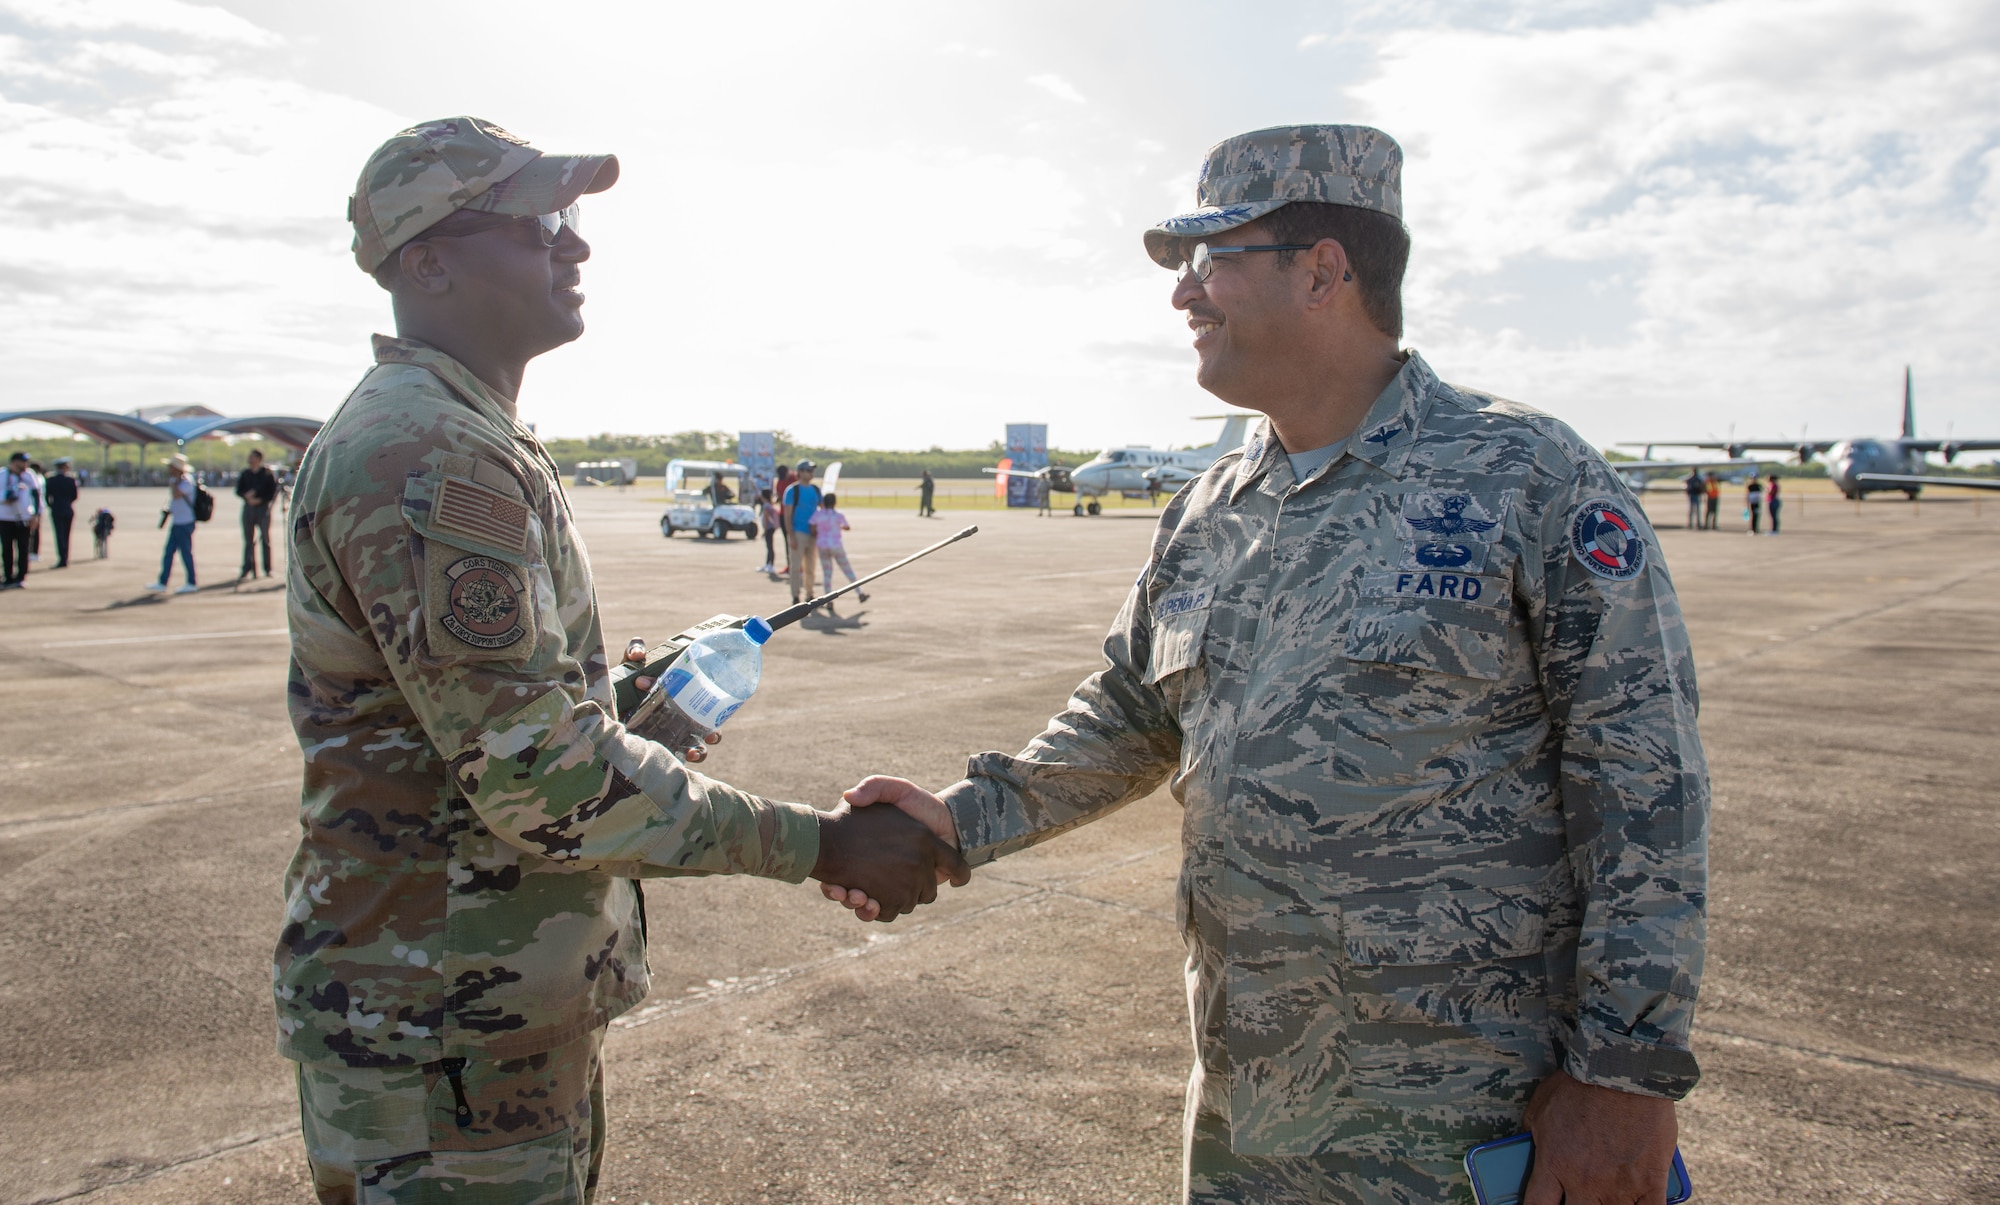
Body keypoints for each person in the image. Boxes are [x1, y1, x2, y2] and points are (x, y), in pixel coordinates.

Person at [827, 124, 1708, 1205]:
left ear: (1323, 270)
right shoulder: (1211, 508)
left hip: (1468, 1120)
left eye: (1210, 260)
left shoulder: (1526, 478)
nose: (1182, 296)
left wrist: (1624, 1074)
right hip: (1253, 1111)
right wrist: (962, 819)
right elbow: (1129, 711)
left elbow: (1642, 785)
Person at [277, 116, 963, 1204]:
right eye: (538, 220)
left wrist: (624, 706)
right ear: (427, 260)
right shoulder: (427, 449)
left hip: (475, 1012)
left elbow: (477, 730)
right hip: (439, 1034)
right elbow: (535, 775)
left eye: (573, 219)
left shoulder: (469, 433)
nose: (574, 245)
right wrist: (823, 841)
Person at [146, 453, 199, 594]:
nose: (169, 469)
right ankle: (163, 582)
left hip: (185, 522)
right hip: (177, 522)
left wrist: (174, 482)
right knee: (169, 552)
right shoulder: (178, 480)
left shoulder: (186, 481)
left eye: (171, 467)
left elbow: (176, 494)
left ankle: (191, 582)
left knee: (186, 553)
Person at [810, 492, 867, 604]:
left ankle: (828, 600)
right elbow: (847, 526)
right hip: (836, 545)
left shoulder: (818, 514)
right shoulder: (838, 515)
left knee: (827, 574)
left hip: (823, 545)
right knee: (848, 570)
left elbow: (812, 527)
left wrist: (819, 532)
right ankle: (859, 592)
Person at [782, 458, 822, 604]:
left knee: (811, 566)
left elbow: (822, 510)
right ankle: (795, 595)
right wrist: (790, 535)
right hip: (798, 532)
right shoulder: (792, 491)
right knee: (796, 566)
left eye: (812, 471)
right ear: (800, 472)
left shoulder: (816, 490)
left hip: (813, 534)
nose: (812, 473)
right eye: (809, 470)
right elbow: (787, 514)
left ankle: (810, 594)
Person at [236, 448, 279, 579]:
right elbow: (238, 490)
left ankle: (267, 568)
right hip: (248, 509)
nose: (250, 459)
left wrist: (259, 499)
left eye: (252, 457)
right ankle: (247, 568)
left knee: (265, 539)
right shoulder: (245, 474)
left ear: (259, 459)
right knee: (248, 540)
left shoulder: (266, 474)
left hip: (262, 508)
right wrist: (246, 496)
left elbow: (272, 492)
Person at [0, 451, 37, 589]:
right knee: (7, 549)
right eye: (22, 462)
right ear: (14, 462)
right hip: (5, 517)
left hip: (24, 517)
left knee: (23, 548)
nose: (24, 465)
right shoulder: (2, 474)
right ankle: (7, 576)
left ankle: (21, 576)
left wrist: (36, 515)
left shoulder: (28, 475)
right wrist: (6, 497)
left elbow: (36, 494)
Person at [45, 458, 78, 568]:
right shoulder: (70, 480)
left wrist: (52, 505)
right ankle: (66, 557)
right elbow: (75, 496)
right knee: (67, 534)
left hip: (56, 509)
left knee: (59, 535)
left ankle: (62, 558)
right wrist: (67, 503)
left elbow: (47, 496)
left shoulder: (51, 480)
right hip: (68, 509)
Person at [756, 487, 780, 574]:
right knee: (769, 546)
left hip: (769, 528)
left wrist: (765, 531)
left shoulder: (766, 506)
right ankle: (768, 564)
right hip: (771, 528)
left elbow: (766, 519)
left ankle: (770, 565)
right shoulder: (770, 505)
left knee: (769, 547)